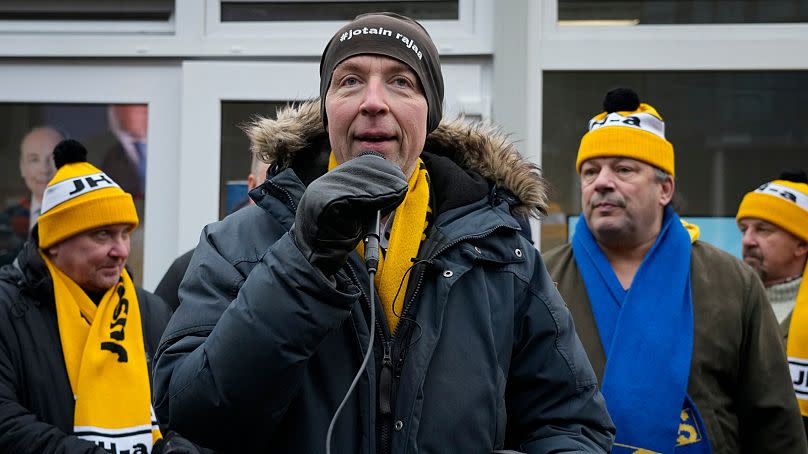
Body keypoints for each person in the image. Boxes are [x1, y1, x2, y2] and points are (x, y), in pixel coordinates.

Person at [153, 12, 614, 453]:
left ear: (429, 114)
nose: (374, 102)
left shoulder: (500, 250)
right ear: (327, 108)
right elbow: (190, 413)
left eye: (401, 82)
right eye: (349, 80)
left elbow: (572, 421)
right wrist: (301, 261)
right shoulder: (238, 243)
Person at [543, 87, 808, 453]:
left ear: (665, 188)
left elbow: (773, 423)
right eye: (590, 172)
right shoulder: (541, 279)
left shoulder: (731, 281)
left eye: (623, 169)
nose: (601, 182)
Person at [0, 139, 190, 453]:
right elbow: (7, 423)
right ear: (55, 242)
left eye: (125, 233)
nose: (122, 251)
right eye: (102, 234)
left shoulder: (150, 311)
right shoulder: (8, 309)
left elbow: (181, 410)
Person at [736, 169, 808, 433]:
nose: (747, 241)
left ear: (801, 244)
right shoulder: (727, 300)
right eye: (745, 229)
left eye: (763, 230)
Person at [154, 154, 271, 311]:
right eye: (271, 186)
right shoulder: (192, 267)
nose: (282, 199)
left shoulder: (308, 265)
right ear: (252, 185)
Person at [1, 126, 64, 266]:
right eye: (34, 160)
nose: (44, 169)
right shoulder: (4, 221)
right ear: (22, 167)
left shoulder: (85, 218)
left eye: (53, 158)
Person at [102, 104, 148, 199]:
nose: (143, 111)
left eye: (145, 106)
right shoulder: (95, 149)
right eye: (138, 105)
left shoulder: (170, 145)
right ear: (116, 109)